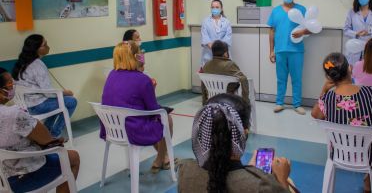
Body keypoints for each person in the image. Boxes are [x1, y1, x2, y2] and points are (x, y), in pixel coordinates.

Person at [178, 94, 294, 193]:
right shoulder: (262, 186)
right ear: (244, 134)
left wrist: (248, 170)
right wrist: (282, 180)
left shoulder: (184, 170)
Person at [312, 53, 372, 192]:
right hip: (371, 156)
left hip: (340, 154)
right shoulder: (371, 92)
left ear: (329, 77)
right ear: (350, 68)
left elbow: (316, 115)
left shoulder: (328, 98)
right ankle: (369, 180)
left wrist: (323, 90)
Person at [0, 67, 80, 193]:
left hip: (2, 178)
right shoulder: (14, 115)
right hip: (20, 177)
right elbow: (47, 141)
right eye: (10, 84)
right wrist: (54, 142)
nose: (13, 86)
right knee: (73, 158)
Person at [100, 41, 173, 173]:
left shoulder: (111, 75)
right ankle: (161, 158)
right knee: (166, 118)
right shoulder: (143, 79)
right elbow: (153, 110)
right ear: (135, 56)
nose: (142, 55)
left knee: (151, 118)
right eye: (139, 53)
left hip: (112, 130)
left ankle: (162, 158)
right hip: (133, 131)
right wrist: (151, 89)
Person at [12, 34, 77, 138]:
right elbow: (50, 93)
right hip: (37, 106)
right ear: (36, 49)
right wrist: (66, 93)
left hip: (25, 105)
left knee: (61, 103)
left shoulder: (21, 63)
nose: (47, 46)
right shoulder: (37, 65)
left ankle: (46, 133)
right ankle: (54, 134)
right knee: (71, 101)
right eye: (45, 44)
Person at [268, 0, 310, 115]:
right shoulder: (275, 11)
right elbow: (272, 31)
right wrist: (271, 51)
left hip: (296, 50)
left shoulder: (302, 9)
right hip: (280, 50)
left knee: (296, 79)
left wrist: (302, 32)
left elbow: (310, 28)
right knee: (281, 79)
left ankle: (297, 104)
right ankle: (279, 103)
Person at [201, 40, 249, 105]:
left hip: (212, 99)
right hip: (228, 98)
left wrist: (204, 103)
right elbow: (243, 79)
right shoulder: (230, 65)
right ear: (225, 53)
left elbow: (203, 85)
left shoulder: (206, 65)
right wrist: (246, 102)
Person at [200, 0, 232, 68]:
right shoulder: (205, 22)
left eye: (217, 7)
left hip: (223, 56)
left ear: (221, 9)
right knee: (208, 77)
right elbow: (205, 38)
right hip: (208, 55)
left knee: (222, 77)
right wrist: (215, 48)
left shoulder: (227, 22)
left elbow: (227, 39)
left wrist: (219, 49)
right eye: (212, 7)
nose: (214, 9)